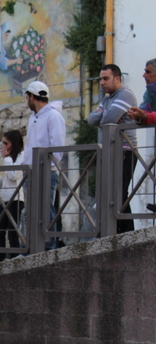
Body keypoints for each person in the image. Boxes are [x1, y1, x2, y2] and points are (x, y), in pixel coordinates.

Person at [88, 64, 138, 234]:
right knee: (111, 195)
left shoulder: (125, 94)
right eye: (100, 79)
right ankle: (115, 233)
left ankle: (126, 234)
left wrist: (104, 114)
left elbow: (107, 119)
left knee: (119, 195)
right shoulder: (108, 98)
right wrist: (105, 114)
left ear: (117, 79)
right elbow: (92, 120)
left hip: (125, 152)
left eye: (105, 78)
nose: (102, 82)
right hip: (109, 153)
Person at [20, 80, 66, 248]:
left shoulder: (53, 116)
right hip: (31, 171)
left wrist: (47, 166)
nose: (27, 101)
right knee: (32, 211)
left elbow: (57, 147)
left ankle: (49, 246)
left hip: (46, 171)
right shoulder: (34, 117)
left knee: (46, 210)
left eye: (27, 97)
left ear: (31, 97)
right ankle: (33, 246)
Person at [0, 130, 26, 261]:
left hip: (16, 199)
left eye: (6, 143)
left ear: (13, 144)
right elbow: (8, 180)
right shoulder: (11, 159)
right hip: (5, 198)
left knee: (12, 231)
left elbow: (13, 175)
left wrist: (7, 158)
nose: (3, 146)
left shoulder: (21, 156)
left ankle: (15, 258)